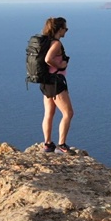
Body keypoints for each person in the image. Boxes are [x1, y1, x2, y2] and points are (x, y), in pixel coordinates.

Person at [39, 16, 75, 153]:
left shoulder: (45, 41)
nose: (66, 31)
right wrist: (60, 65)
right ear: (59, 29)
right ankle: (61, 145)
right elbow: (48, 59)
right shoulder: (56, 44)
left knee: (49, 113)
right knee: (68, 113)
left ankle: (48, 144)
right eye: (65, 28)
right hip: (56, 82)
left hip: (46, 82)